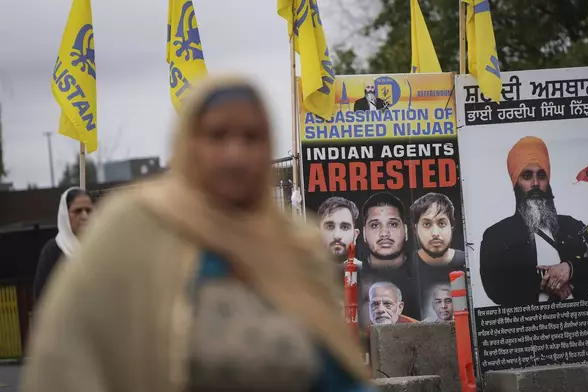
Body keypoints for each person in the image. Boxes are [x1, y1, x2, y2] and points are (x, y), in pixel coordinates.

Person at [22, 75, 372, 392]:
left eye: (252, 137)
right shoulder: (132, 228)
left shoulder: (297, 243)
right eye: (217, 136)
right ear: (187, 144)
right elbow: (64, 358)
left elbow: (335, 370)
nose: (235, 154)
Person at [480, 136, 588, 306]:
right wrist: (547, 282)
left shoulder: (571, 225)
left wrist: (570, 269)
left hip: (578, 322)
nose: (535, 183)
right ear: (516, 184)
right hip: (528, 325)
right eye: (527, 176)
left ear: (547, 181)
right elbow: (495, 288)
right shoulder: (496, 235)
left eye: (541, 175)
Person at [359, 192, 421, 321]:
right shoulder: (353, 275)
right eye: (375, 225)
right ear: (364, 233)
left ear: (405, 230)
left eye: (393, 224)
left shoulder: (424, 271)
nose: (384, 234)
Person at [33, 187, 93, 303]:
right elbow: (42, 299)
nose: (85, 216)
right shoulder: (53, 252)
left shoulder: (102, 248)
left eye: (88, 210)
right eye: (78, 211)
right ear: (65, 215)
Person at [410, 192, 465, 298]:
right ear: (415, 229)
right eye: (427, 224)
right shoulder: (406, 265)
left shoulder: (467, 262)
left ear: (452, 226)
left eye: (441, 223)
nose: (435, 233)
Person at [317, 196, 363, 267]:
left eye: (345, 227)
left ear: (355, 235)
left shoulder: (368, 274)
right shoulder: (302, 274)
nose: (337, 236)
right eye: (330, 226)